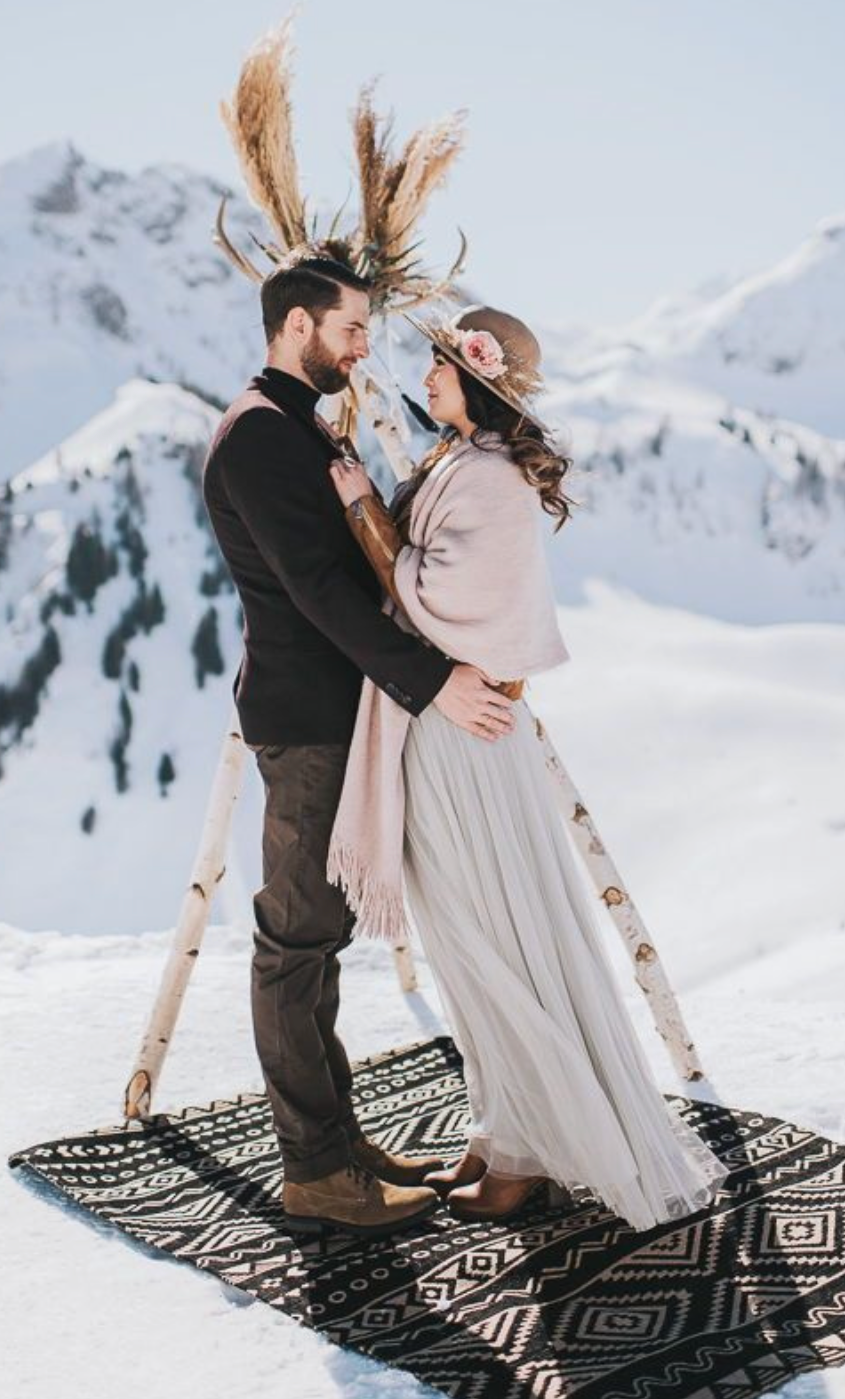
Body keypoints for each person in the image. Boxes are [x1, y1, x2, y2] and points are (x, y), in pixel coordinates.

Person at [327, 303, 730, 1229]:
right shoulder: (460, 464)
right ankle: (512, 1130)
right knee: (469, 938)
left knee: (487, 936)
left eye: (439, 365)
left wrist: (357, 506)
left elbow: (431, 602)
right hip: (442, 726)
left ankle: (537, 1148)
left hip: (459, 739)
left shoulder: (493, 483)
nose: (426, 378)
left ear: (477, 379)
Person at [202, 252, 520, 1237]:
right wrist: (434, 684)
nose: (362, 346)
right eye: (349, 329)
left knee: (319, 941)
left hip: (336, 714)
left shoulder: (295, 425)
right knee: (294, 943)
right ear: (297, 325)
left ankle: (336, 1145)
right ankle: (315, 1175)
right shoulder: (260, 438)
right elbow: (320, 592)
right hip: (307, 722)